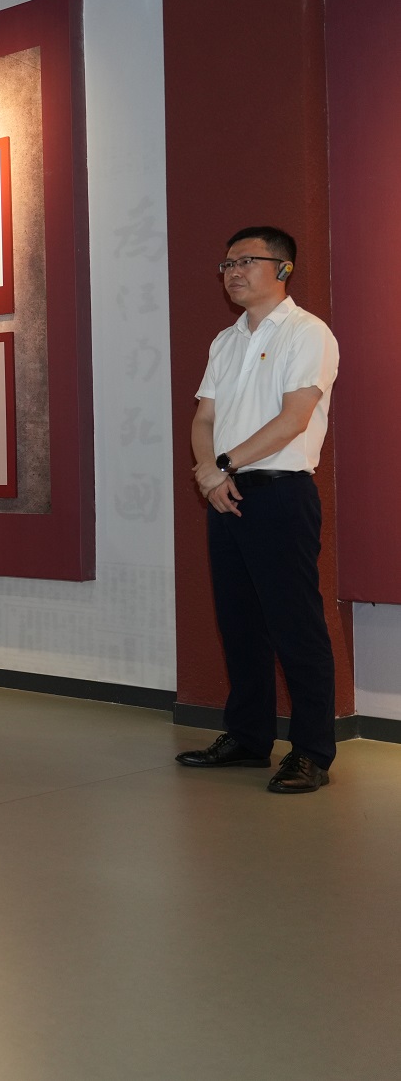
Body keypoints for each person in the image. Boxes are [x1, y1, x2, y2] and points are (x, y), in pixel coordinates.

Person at [179, 226, 341, 794]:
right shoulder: (225, 341)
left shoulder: (307, 332)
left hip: (279, 492)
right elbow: (204, 417)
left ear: (284, 269)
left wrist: (221, 465)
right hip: (225, 493)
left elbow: (294, 418)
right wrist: (210, 473)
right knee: (239, 623)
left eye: (247, 261)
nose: (233, 272)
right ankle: (248, 738)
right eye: (227, 264)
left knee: (295, 625)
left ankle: (312, 751)